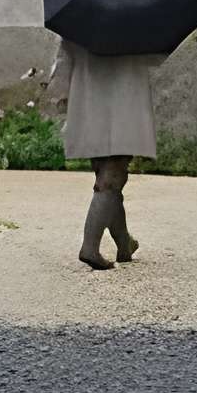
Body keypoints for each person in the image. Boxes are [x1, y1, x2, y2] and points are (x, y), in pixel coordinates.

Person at [49, 39, 156, 269]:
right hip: (123, 97)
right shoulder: (134, 15)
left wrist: (62, 96)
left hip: (89, 98)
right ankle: (90, 247)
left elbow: (64, 57)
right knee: (113, 177)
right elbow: (152, 56)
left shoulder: (81, 14)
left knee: (108, 177)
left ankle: (124, 243)